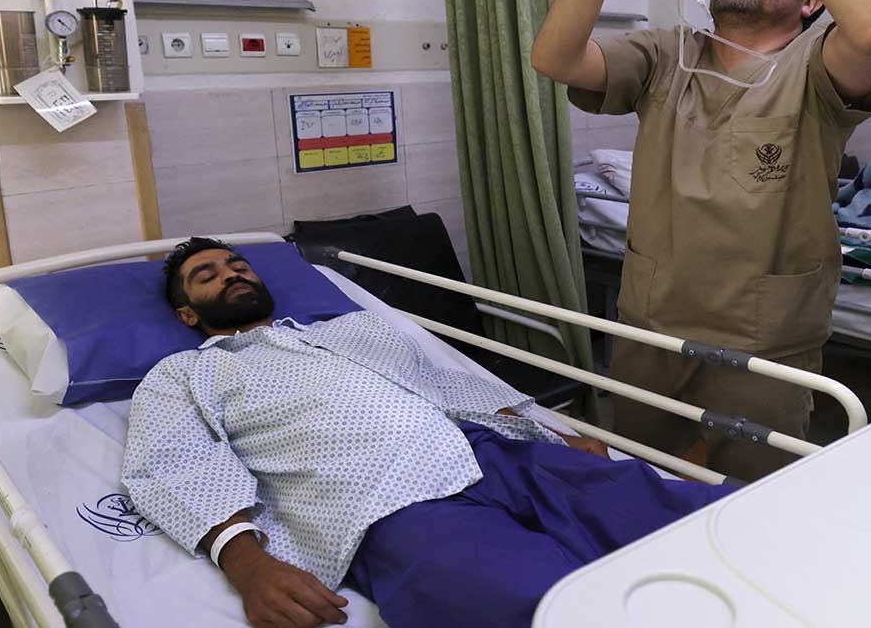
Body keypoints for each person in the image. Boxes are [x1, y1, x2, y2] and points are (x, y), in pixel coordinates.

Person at [530, 0, 871, 481]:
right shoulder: (666, 53)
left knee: (750, 496)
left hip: (765, 335)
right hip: (649, 322)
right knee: (637, 478)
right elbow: (553, 57)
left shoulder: (819, 68)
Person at [122, 238, 728, 628]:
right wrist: (249, 566)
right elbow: (173, 465)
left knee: (698, 521)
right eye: (207, 276)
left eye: (238, 264)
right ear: (187, 314)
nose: (230, 274)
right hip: (385, 504)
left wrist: (550, 437)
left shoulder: (353, 328)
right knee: (535, 603)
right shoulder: (185, 374)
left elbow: (452, 388)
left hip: (496, 455)